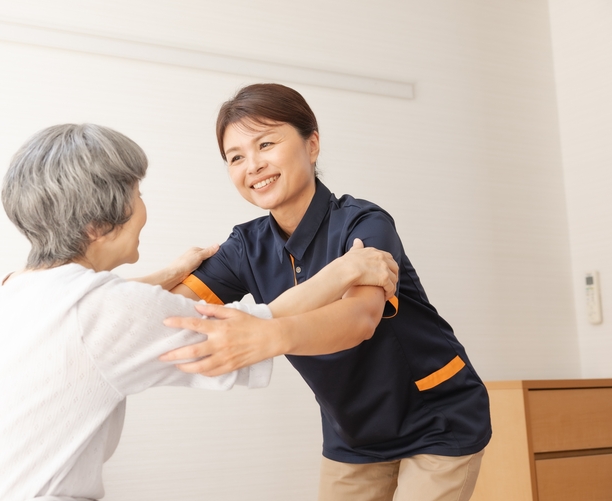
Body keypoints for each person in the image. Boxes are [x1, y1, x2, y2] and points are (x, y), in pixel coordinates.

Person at [0, 123, 398, 501]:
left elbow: (90, 304)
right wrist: (342, 273)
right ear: (98, 223)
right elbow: (245, 331)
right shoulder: (105, 310)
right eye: (137, 194)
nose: (144, 207)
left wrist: (168, 272)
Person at [164, 84, 492, 501]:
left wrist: (265, 335)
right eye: (236, 157)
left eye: (266, 143)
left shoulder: (365, 225)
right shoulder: (245, 248)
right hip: (353, 435)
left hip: (436, 418)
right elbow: (165, 313)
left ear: (312, 144)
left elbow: (360, 318)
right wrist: (168, 270)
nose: (253, 165)